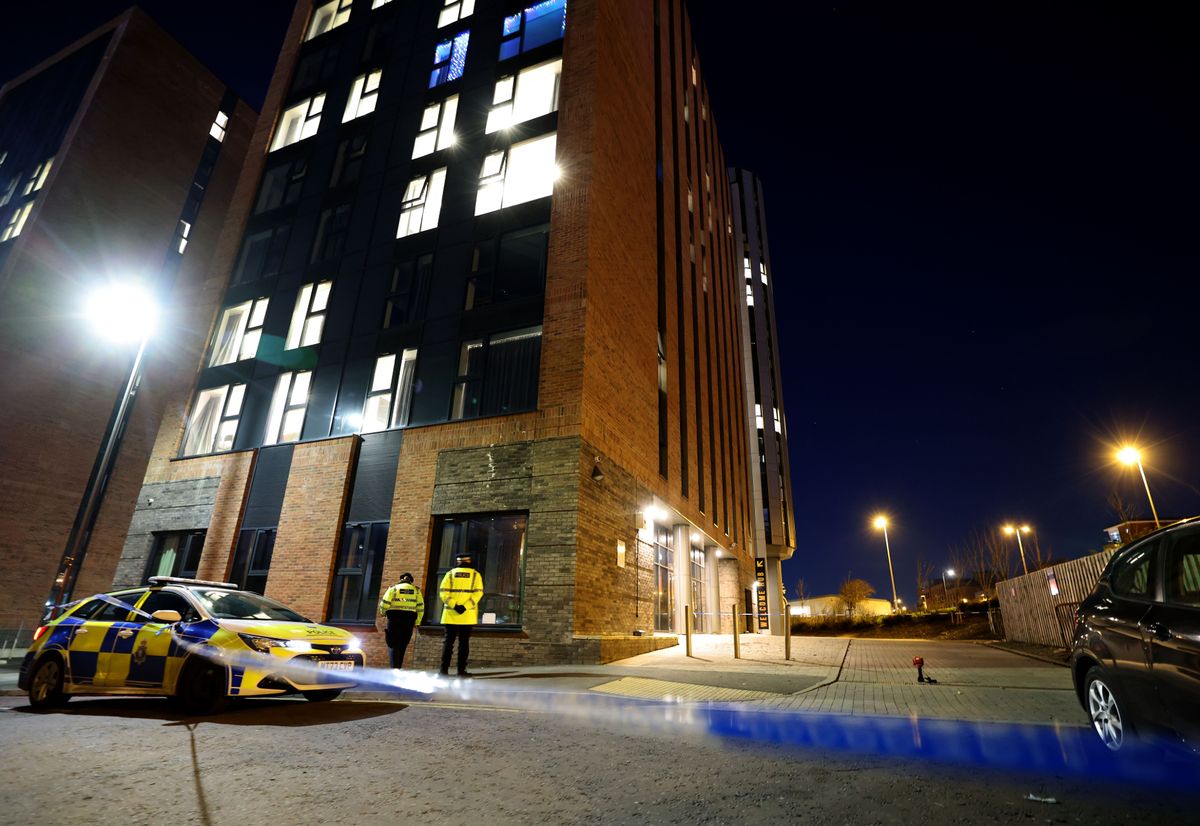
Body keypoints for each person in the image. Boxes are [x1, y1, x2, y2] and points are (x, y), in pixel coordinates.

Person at [438, 553, 483, 677]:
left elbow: (443, 593)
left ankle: (443, 670)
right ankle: (461, 671)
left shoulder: (450, 574)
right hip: (467, 615)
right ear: (469, 562)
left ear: (458, 562)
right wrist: (465, 607)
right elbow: (478, 594)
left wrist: (455, 605)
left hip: (450, 614)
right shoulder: (475, 575)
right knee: (464, 643)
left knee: (448, 643)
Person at [378, 572, 424, 669]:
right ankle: (398, 666)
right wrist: (418, 622)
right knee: (403, 644)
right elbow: (420, 608)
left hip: (394, 619)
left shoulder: (393, 589)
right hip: (409, 620)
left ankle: (394, 668)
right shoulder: (416, 591)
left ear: (401, 579)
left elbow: (384, 603)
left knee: (393, 643)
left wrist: (383, 613)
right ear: (411, 581)